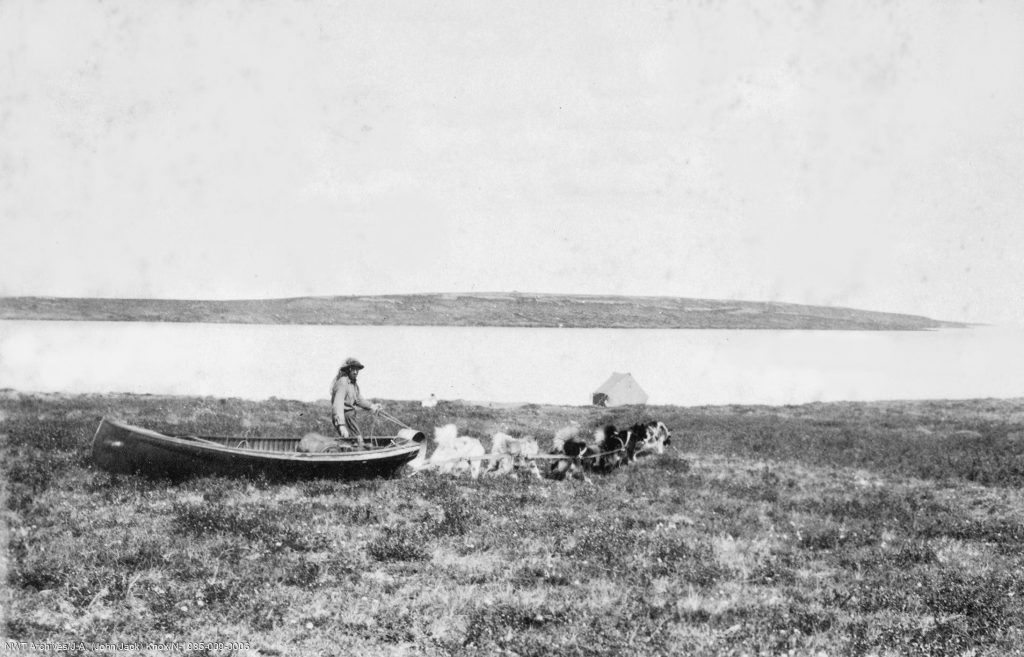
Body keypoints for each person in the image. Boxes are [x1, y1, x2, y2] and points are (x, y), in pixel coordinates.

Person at [329, 357, 382, 450]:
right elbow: (338, 405)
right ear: (348, 370)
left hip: (350, 417)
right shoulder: (342, 382)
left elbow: (358, 400)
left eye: (357, 369)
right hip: (344, 418)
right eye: (353, 369)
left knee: (357, 442)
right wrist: (341, 425)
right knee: (355, 443)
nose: (355, 372)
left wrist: (372, 406)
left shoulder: (353, 384)